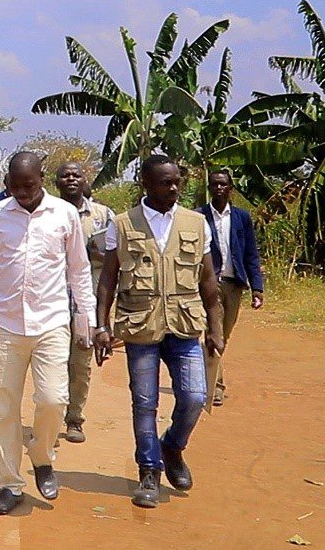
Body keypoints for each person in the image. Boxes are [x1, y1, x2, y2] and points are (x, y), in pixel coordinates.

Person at [0, 152, 95, 516]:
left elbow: (79, 272)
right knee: (3, 407)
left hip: (52, 322)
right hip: (6, 324)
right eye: (15, 187)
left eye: (30, 186)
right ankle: (9, 483)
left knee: (54, 399)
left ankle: (42, 456)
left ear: (42, 180)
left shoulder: (65, 215)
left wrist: (87, 322)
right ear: (7, 183)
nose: (22, 193)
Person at [96, 155, 225, 509]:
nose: (174, 188)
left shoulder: (197, 223)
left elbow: (209, 281)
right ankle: (149, 472)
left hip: (184, 325)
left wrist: (216, 328)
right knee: (145, 402)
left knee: (195, 395)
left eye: (177, 182)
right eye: (165, 183)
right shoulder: (121, 225)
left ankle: (173, 446)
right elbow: (107, 280)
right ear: (146, 185)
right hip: (141, 326)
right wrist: (102, 325)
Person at [54, 162, 115, 443]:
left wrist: (95, 255)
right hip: (51, 300)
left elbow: (116, 258)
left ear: (84, 179)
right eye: (64, 175)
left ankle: (74, 418)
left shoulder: (103, 216)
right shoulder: (47, 212)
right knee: (53, 361)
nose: (71, 179)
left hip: (86, 301)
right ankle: (51, 418)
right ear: (55, 182)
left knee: (81, 363)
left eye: (76, 174)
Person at [197, 169, 264, 407]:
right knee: (211, 334)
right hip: (208, 285)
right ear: (209, 188)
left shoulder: (241, 218)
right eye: (214, 185)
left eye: (223, 185)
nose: (219, 189)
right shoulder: (199, 216)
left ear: (230, 189)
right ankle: (215, 386)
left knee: (224, 334)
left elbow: (250, 254)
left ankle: (209, 379)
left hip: (234, 284)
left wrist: (257, 287)